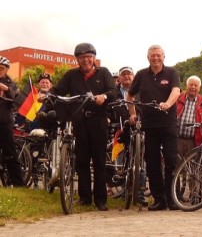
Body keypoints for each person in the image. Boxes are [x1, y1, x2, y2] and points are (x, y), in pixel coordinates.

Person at [51, 43, 117, 211]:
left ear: (94, 58)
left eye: (88, 57)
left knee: (99, 160)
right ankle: (85, 197)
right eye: (81, 58)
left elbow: (113, 91)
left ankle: (101, 200)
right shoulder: (71, 75)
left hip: (98, 122)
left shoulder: (104, 73)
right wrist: (46, 96)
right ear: (78, 60)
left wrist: (103, 96)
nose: (85, 60)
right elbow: (58, 89)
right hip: (79, 121)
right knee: (82, 161)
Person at [126, 45, 181, 211]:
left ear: (163, 57)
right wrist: (132, 113)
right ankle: (159, 199)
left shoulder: (172, 73)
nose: (155, 58)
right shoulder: (142, 74)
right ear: (147, 57)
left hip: (168, 123)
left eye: (158, 55)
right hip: (149, 124)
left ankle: (173, 198)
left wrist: (167, 104)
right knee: (152, 162)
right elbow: (130, 95)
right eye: (152, 56)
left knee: (172, 159)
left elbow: (176, 91)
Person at [112, 66, 148, 206]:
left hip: (138, 127)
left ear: (133, 76)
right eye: (123, 74)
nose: (126, 76)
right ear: (119, 78)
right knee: (119, 162)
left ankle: (139, 194)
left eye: (129, 74)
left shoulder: (141, 91)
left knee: (140, 162)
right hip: (120, 129)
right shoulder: (113, 92)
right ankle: (122, 189)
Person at [0, 56, 25, 187]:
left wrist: (6, 89)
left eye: (1, 68)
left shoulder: (11, 83)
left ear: (6, 69)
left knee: (10, 153)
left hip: (4, 121)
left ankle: (19, 184)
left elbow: (17, 100)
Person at [176, 75, 202, 158]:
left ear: (199, 88)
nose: (193, 87)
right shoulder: (177, 99)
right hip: (177, 139)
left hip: (194, 141)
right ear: (186, 86)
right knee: (175, 166)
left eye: (195, 85)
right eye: (191, 85)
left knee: (191, 167)